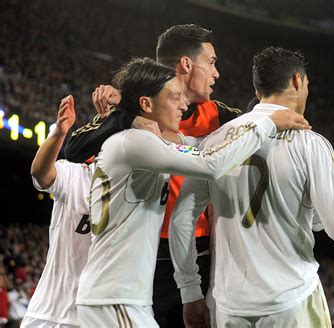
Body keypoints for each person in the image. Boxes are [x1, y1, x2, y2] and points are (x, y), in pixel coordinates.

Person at [169, 46, 334, 327]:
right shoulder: (310, 144)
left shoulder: (214, 142)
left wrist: (190, 290)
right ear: (296, 81)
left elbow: (181, 221)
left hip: (228, 305)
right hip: (292, 300)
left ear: (258, 92)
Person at [75, 56, 310, 327]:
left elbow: (202, 146)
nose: (184, 105)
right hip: (113, 298)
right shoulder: (134, 143)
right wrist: (267, 123)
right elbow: (210, 164)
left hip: (120, 297)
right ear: (146, 104)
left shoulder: (143, 142)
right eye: (175, 98)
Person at [64, 24, 240, 327]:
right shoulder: (131, 112)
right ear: (186, 63)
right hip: (140, 257)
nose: (216, 73)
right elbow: (73, 150)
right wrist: (126, 115)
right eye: (211, 62)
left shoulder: (217, 115)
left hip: (198, 250)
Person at [21, 96, 93, 328]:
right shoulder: (75, 173)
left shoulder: (135, 184)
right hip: (48, 313)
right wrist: (60, 133)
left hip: (94, 317)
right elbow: (40, 173)